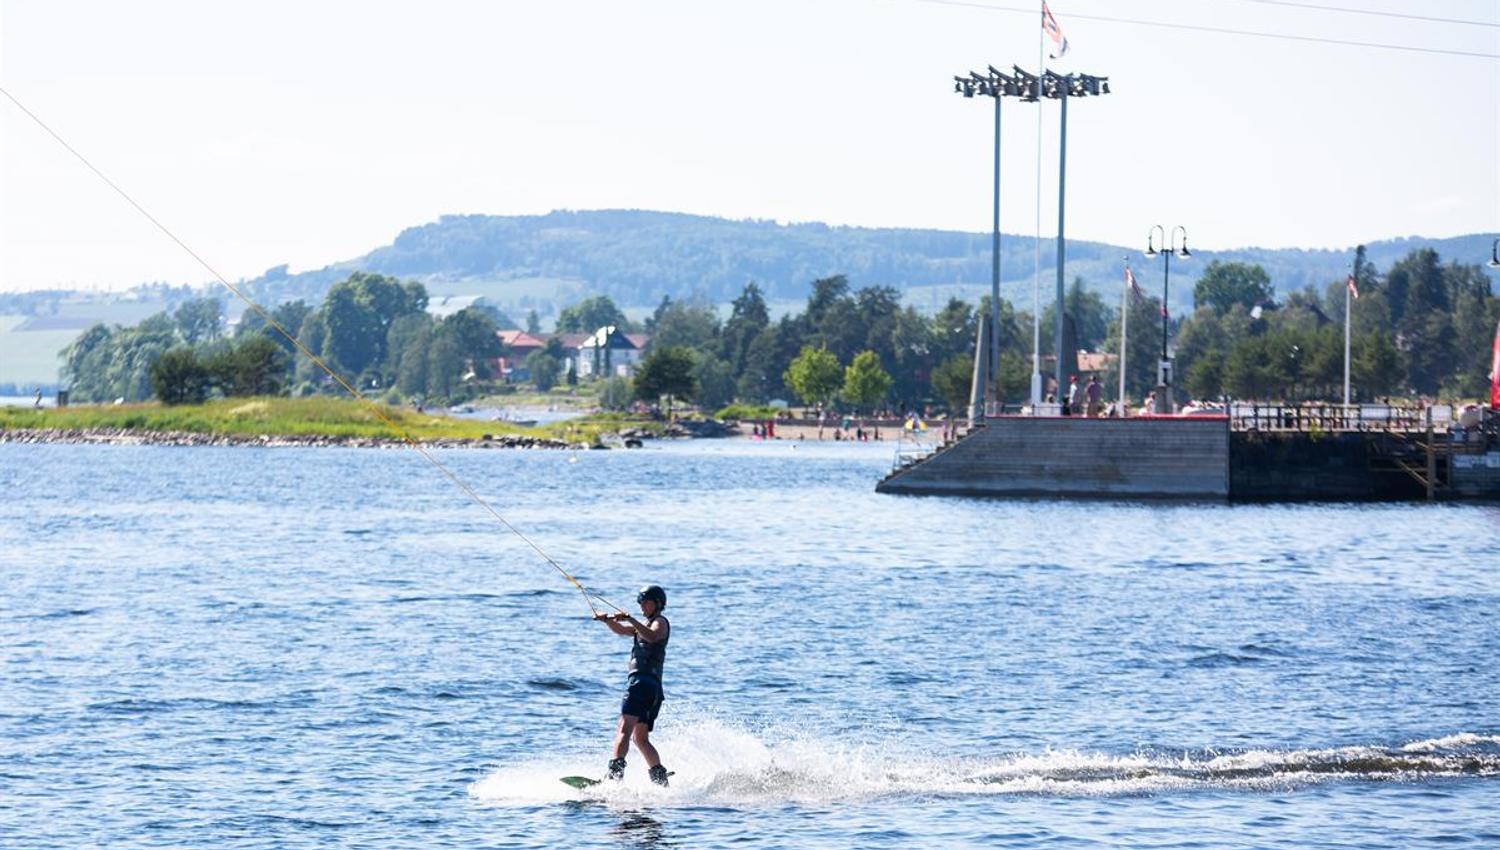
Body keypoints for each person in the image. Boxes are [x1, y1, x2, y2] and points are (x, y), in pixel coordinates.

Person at [594, 585, 672, 786]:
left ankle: (613, 779)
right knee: (640, 738)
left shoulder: (660, 622)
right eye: (640, 603)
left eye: (646, 603)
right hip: (650, 688)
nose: (642, 606)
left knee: (624, 729)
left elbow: (652, 636)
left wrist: (630, 618)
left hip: (641, 683)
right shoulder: (643, 626)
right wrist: (607, 620)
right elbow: (621, 630)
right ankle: (660, 780)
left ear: (658, 604)